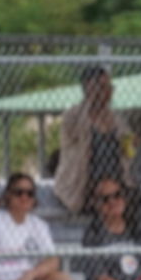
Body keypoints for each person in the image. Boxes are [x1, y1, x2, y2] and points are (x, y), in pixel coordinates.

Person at [56, 66, 136, 217]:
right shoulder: (74, 115)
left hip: (117, 181)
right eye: (101, 86)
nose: (108, 91)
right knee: (106, 200)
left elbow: (128, 151)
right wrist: (91, 104)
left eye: (109, 87)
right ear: (88, 87)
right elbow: (73, 132)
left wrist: (130, 144)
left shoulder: (117, 118)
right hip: (85, 184)